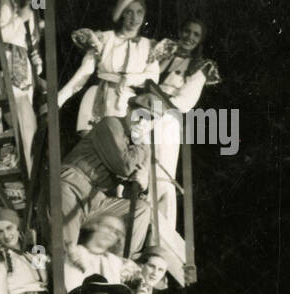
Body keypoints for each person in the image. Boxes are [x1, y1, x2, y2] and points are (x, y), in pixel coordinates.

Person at [57, 98, 153, 253]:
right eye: (139, 116)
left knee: (141, 209)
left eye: (149, 120)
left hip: (97, 199)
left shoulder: (140, 146)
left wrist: (143, 185)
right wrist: (142, 144)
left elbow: (132, 191)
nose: (142, 123)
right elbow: (125, 167)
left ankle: (121, 266)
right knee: (67, 251)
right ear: (128, 110)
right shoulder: (111, 124)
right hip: (72, 185)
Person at [153, 19, 220, 233]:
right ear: (179, 32)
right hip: (143, 109)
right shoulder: (161, 55)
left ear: (200, 40)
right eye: (187, 31)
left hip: (167, 117)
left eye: (196, 34)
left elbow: (185, 101)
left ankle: (162, 230)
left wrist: (160, 105)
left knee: (162, 173)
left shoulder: (200, 66)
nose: (189, 37)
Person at [58, 1, 165, 133]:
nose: (134, 18)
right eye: (129, 12)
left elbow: (153, 77)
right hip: (98, 96)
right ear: (122, 14)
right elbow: (84, 73)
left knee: (118, 146)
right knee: (90, 143)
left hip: (127, 102)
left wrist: (129, 79)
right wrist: (59, 99)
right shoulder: (104, 38)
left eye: (139, 12)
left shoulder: (149, 46)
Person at [0, 1, 42, 169]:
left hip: (25, 71)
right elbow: (0, 35)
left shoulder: (35, 11)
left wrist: (37, 60)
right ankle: (27, 169)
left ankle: (26, 167)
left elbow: (31, 43)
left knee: (28, 126)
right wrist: (20, 18)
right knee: (23, 125)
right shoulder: (7, 5)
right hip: (10, 65)